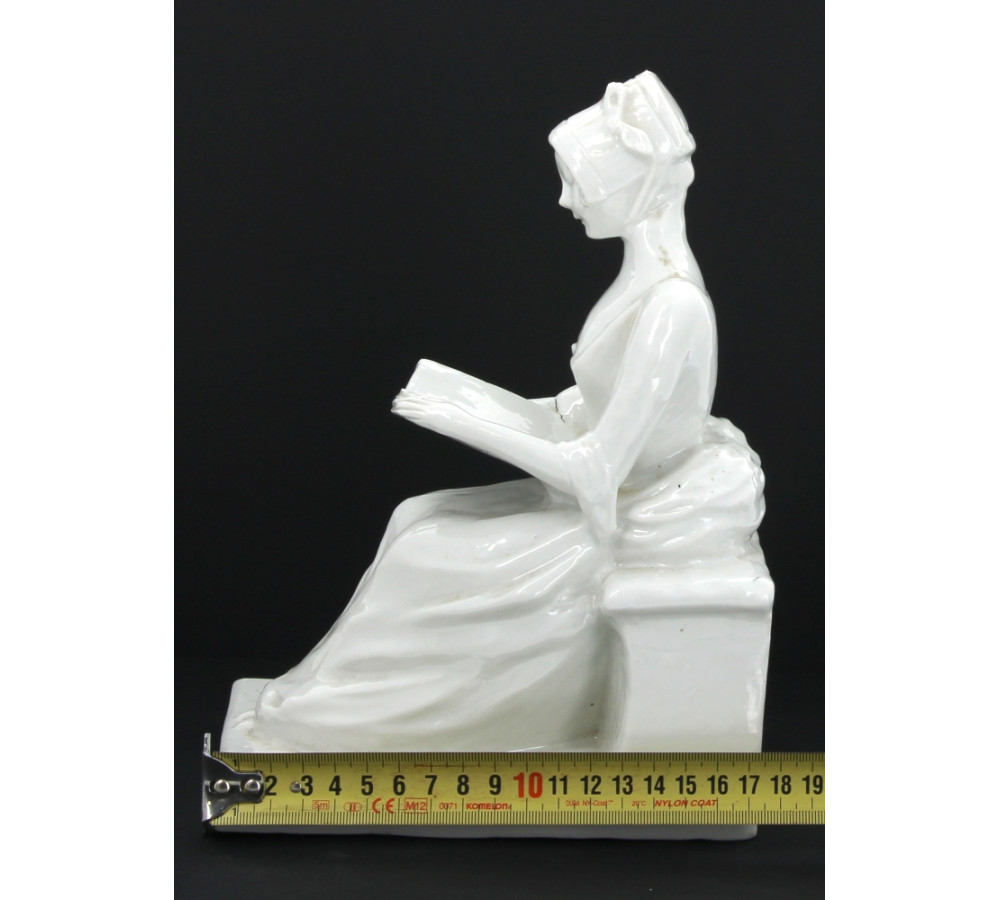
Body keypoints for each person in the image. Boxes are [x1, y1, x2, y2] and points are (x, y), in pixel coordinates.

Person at [237, 72, 766, 752]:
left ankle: (328, 721)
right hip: (605, 490)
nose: (566, 199)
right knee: (413, 515)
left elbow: (597, 472)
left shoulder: (673, 307)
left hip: (625, 513)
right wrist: (494, 406)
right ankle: (317, 694)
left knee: (423, 552)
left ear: (631, 187)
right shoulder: (642, 283)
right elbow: (588, 414)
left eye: (579, 182)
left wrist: (464, 423)